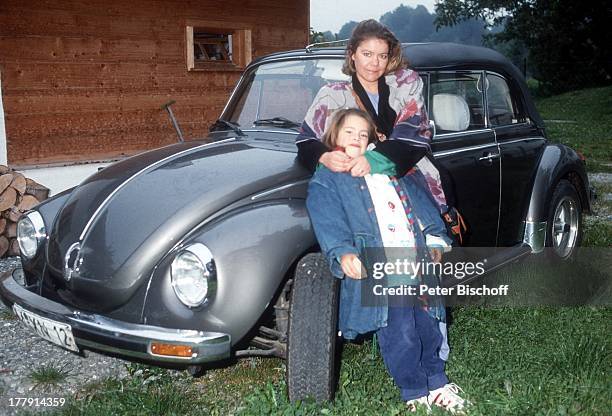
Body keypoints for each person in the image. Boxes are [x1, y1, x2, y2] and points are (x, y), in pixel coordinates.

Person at [297, 18, 457, 361]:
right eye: (366, 54)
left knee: (423, 251)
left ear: (391, 58)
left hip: (403, 175)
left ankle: (434, 345)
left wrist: (375, 161)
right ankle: (383, 328)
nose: (374, 63)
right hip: (353, 186)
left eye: (382, 55)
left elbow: (415, 136)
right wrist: (326, 157)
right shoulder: (332, 93)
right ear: (352, 55)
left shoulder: (405, 85)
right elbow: (306, 139)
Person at [306, 108, 469, 412]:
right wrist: (343, 251)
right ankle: (414, 391)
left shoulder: (392, 171)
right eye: (348, 132)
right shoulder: (329, 178)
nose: (356, 137)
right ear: (334, 136)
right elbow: (327, 218)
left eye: (362, 133)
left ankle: (437, 381)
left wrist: (434, 239)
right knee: (400, 330)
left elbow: (422, 205)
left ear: (373, 140)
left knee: (429, 322)